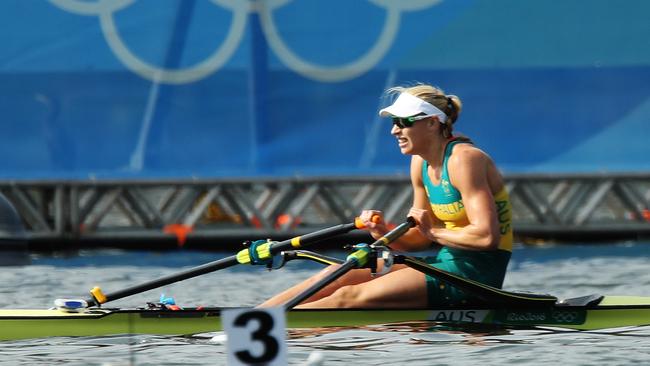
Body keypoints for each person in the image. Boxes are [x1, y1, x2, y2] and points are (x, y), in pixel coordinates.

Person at [260, 83, 513, 309]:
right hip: (445, 262)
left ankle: (265, 329)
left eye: (403, 122)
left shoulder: (464, 159)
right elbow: (419, 240)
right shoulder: (419, 163)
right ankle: (250, 319)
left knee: (348, 296)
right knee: (336, 274)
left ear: (432, 123)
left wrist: (434, 233)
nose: (394, 131)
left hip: (477, 276)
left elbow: (486, 237)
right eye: (394, 122)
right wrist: (382, 231)